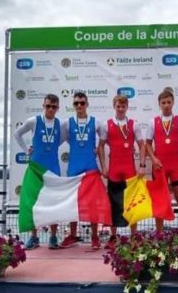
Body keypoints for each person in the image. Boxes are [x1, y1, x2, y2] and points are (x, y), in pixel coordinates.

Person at [14, 93, 63, 250]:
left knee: (54, 203)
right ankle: (34, 238)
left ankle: (53, 237)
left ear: (57, 108)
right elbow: (17, 134)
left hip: (53, 169)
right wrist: (26, 149)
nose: (50, 109)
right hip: (35, 168)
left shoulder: (59, 124)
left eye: (53, 107)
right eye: (47, 106)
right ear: (43, 106)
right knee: (33, 203)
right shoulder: (34, 121)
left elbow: (57, 142)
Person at [98, 95, 147, 249]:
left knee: (131, 204)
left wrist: (142, 165)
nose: (120, 109)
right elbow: (100, 146)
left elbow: (142, 145)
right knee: (113, 204)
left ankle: (134, 236)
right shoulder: (107, 125)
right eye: (118, 106)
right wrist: (103, 167)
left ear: (127, 107)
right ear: (114, 107)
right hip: (113, 171)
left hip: (130, 171)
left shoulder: (134, 125)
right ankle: (113, 236)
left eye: (123, 106)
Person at [59, 91, 103, 250]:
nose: (79, 105)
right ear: (73, 105)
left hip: (90, 166)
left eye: (82, 103)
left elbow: (105, 141)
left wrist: (98, 149)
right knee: (72, 203)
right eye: (76, 103)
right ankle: (72, 235)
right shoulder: (68, 123)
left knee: (92, 204)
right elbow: (59, 142)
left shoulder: (96, 122)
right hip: (74, 168)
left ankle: (95, 237)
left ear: (87, 104)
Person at [145, 87, 178, 233]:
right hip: (159, 166)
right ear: (159, 104)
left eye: (168, 102)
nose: (166, 105)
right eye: (163, 102)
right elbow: (147, 143)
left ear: (173, 103)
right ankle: (159, 234)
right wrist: (153, 158)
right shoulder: (153, 122)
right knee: (160, 201)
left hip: (177, 166)